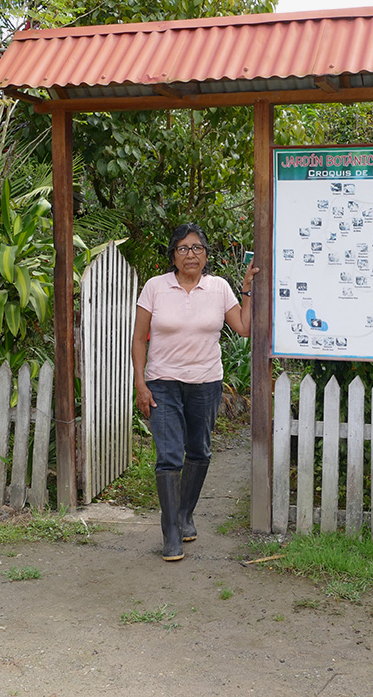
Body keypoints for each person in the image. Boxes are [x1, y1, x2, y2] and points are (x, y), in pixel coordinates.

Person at [132, 223, 258, 561]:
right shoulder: (155, 287)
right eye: (183, 248)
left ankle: (185, 514)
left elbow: (244, 328)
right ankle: (170, 531)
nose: (191, 254)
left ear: (206, 254)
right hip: (162, 383)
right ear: (173, 254)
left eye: (197, 248)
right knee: (170, 455)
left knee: (199, 452)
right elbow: (138, 337)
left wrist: (246, 290)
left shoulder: (218, 288)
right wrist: (140, 383)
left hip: (205, 382)